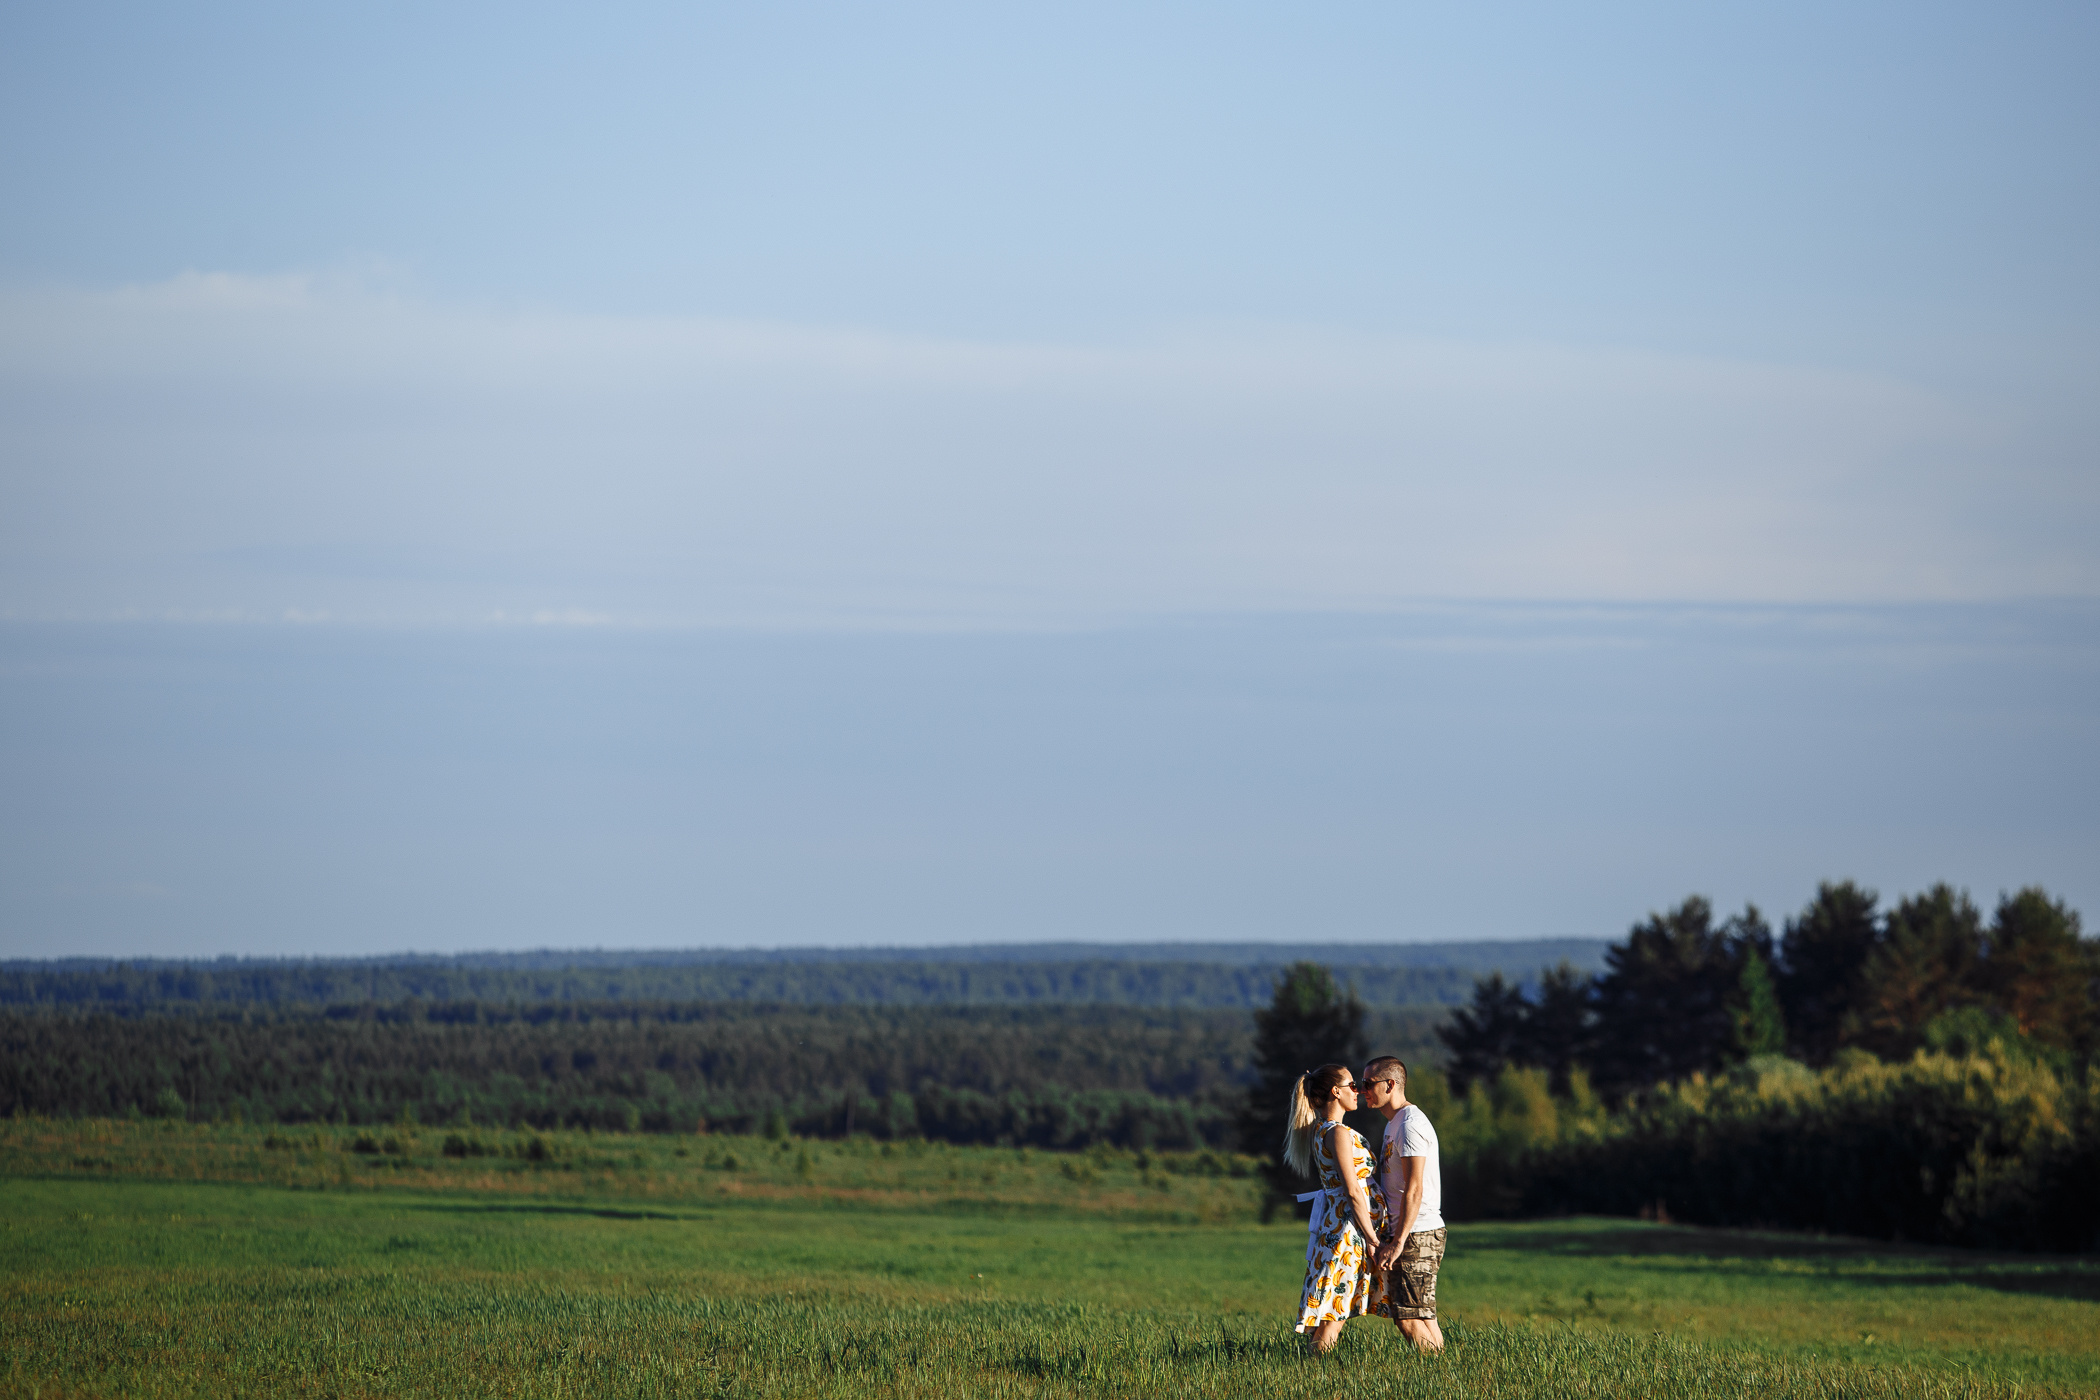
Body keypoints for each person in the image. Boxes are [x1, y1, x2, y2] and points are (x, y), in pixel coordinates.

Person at [1283, 1063, 1386, 1353]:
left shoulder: (1321, 1130)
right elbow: (1352, 1191)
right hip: (1347, 1231)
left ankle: (1311, 1365)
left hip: (1338, 1225)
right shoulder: (1337, 1133)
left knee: (1331, 1311)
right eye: (1352, 1085)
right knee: (1333, 1315)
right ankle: (1316, 1369)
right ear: (1335, 1092)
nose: (1358, 1091)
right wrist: (1372, 1238)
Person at [1362, 1055, 1446, 1351]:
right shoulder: (1395, 1123)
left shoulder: (1410, 1124)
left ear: (1390, 1084)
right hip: (1411, 1231)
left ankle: (1435, 1370)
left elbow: (1415, 1188)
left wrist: (1398, 1242)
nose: (1363, 1090)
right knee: (1422, 1315)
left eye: (1368, 1084)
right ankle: (1442, 1368)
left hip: (1416, 1232)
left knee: (1407, 1317)